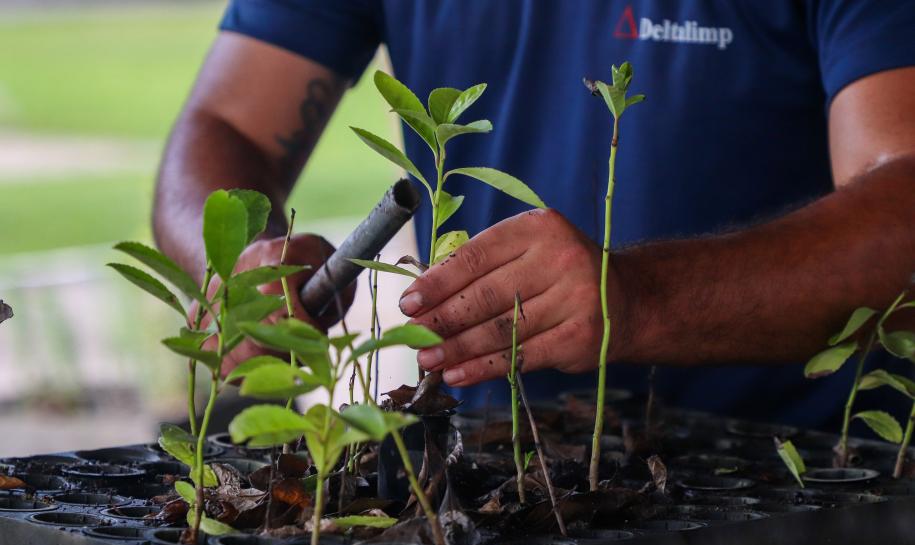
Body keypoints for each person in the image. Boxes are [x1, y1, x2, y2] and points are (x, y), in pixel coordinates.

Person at [154, 1, 915, 429]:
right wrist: (244, 258)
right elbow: (229, 122)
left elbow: (902, 194)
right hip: (501, 461)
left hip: (805, 472)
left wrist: (640, 298)